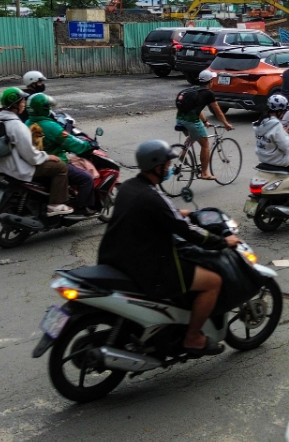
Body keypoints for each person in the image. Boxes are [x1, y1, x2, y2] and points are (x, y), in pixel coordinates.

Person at [97, 140, 241, 355]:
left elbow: (156, 213)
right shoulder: (151, 197)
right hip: (148, 268)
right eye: (167, 165)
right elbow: (189, 233)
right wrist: (222, 242)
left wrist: (178, 212)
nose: (169, 168)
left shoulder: (129, 187)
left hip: (115, 257)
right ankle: (192, 338)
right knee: (213, 282)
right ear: (157, 167)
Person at [0, 88, 74, 216]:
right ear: (16, 104)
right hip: (17, 168)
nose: (24, 104)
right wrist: (47, 156)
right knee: (61, 167)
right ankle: (55, 205)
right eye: (22, 101)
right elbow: (32, 157)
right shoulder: (17, 126)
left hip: (0, 166)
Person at [25, 93, 96, 214]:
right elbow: (71, 142)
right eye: (49, 107)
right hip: (52, 161)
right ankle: (83, 208)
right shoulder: (50, 126)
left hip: (34, 162)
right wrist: (88, 145)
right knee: (87, 178)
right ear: (44, 108)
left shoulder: (27, 123)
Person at [174, 69, 234, 181]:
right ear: (210, 81)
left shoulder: (193, 89)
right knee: (205, 144)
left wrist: (205, 121)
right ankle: (204, 173)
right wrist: (226, 124)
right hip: (191, 120)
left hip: (180, 118)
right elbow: (217, 111)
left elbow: (197, 108)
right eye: (213, 80)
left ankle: (182, 154)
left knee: (194, 135)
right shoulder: (208, 93)